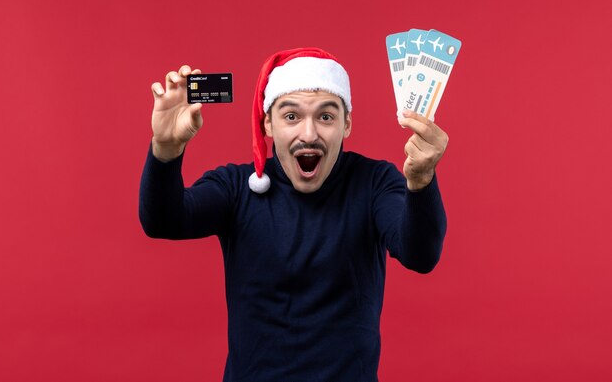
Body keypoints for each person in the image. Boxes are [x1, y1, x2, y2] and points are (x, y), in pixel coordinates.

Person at [139, 47, 448, 382]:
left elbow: (420, 254)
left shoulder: (374, 183)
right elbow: (163, 220)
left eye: (326, 117)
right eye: (291, 116)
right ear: (267, 123)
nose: (309, 134)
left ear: (347, 124)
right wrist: (165, 151)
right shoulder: (237, 187)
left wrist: (420, 181)